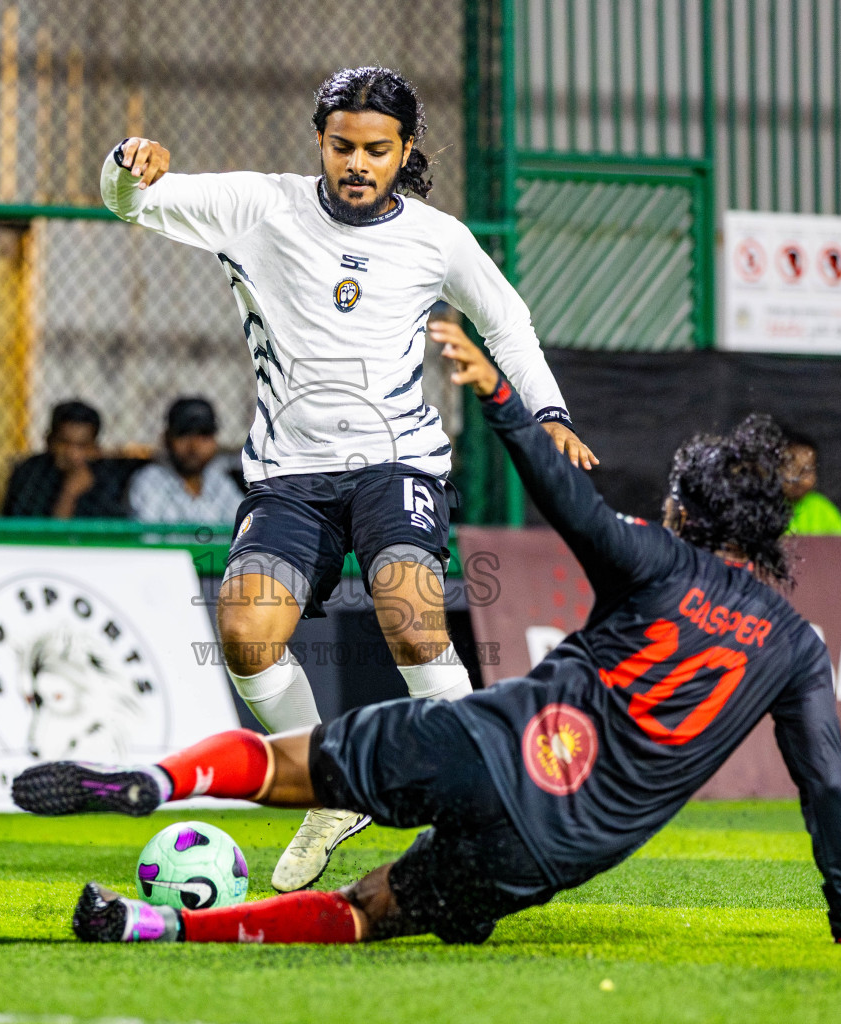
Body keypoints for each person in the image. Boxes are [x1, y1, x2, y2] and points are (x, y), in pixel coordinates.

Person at [11, 327, 841, 951]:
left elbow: (569, 499)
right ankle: (157, 929)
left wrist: (497, 392)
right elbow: (831, 791)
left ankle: (158, 782)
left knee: (293, 761)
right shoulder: (797, 645)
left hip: (489, 747)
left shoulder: (656, 559)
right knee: (371, 911)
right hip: (556, 852)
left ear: (686, 507)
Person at [102, 66, 595, 891]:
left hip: (395, 460)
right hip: (288, 477)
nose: (356, 164)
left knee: (407, 608)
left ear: (406, 151)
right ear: (319, 142)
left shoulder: (437, 239)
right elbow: (131, 204)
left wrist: (549, 414)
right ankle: (329, 790)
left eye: (376, 149)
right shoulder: (256, 206)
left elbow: (507, 324)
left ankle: (474, 790)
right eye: (341, 147)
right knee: (246, 633)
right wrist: (128, 165)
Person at [1, 400, 146, 519]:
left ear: (95, 449)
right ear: (49, 441)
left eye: (82, 446)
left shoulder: (107, 478)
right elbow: (44, 538)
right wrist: (69, 494)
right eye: (64, 443)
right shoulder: (29, 473)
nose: (72, 454)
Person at [127, 397, 245, 524]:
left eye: (203, 434)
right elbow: (150, 539)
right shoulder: (150, 480)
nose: (194, 446)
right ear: (167, 438)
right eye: (184, 434)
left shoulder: (219, 482)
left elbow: (243, 533)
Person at [781, 431, 841, 536]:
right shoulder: (763, 506)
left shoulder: (820, 507)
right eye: (791, 468)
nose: (798, 478)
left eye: (807, 471)